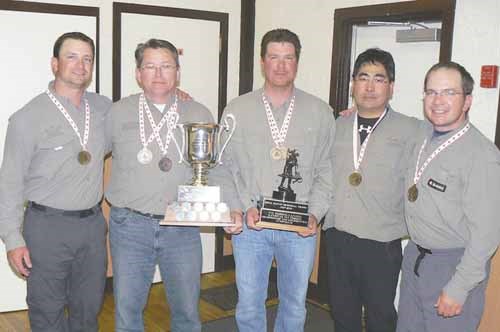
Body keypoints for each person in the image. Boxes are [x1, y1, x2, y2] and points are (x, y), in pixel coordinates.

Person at [105, 38, 242, 332]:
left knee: (187, 312)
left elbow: (216, 168)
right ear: (138, 73)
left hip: (181, 228)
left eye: (166, 66)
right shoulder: (116, 113)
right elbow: (88, 157)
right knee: (127, 312)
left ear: (178, 72)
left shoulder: (198, 113)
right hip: (130, 226)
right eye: (150, 66)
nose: (158, 74)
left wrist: (231, 206)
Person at [214, 28, 335, 332]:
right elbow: (222, 166)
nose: (281, 65)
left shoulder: (320, 112)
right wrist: (239, 207)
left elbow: (326, 170)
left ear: (297, 62)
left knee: (295, 304)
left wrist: (315, 214)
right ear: (262, 62)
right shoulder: (237, 110)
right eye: (274, 57)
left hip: (299, 228)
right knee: (249, 303)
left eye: (288, 58)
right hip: (251, 226)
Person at [0, 32, 111, 331]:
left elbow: (135, 124)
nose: (80, 65)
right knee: (47, 311)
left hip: (91, 226)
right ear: (54, 63)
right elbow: (9, 184)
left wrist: (173, 97)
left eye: (87, 58)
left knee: (88, 309)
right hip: (46, 227)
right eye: (71, 57)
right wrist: (13, 239)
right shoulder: (27, 118)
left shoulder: (104, 109)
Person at [396, 62, 500, 332]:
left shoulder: (482, 156)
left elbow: (486, 234)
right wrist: (354, 113)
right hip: (415, 259)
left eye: (448, 93)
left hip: (452, 267)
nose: (437, 101)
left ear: (467, 101)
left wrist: (459, 287)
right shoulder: (421, 134)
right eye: (430, 92)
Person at [323, 48, 420, 332]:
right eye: (363, 77)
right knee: (342, 313)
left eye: (379, 79)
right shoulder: (337, 125)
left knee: (381, 317)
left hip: (382, 242)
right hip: (337, 236)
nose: (369, 86)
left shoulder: (412, 130)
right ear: (352, 83)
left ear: (391, 87)